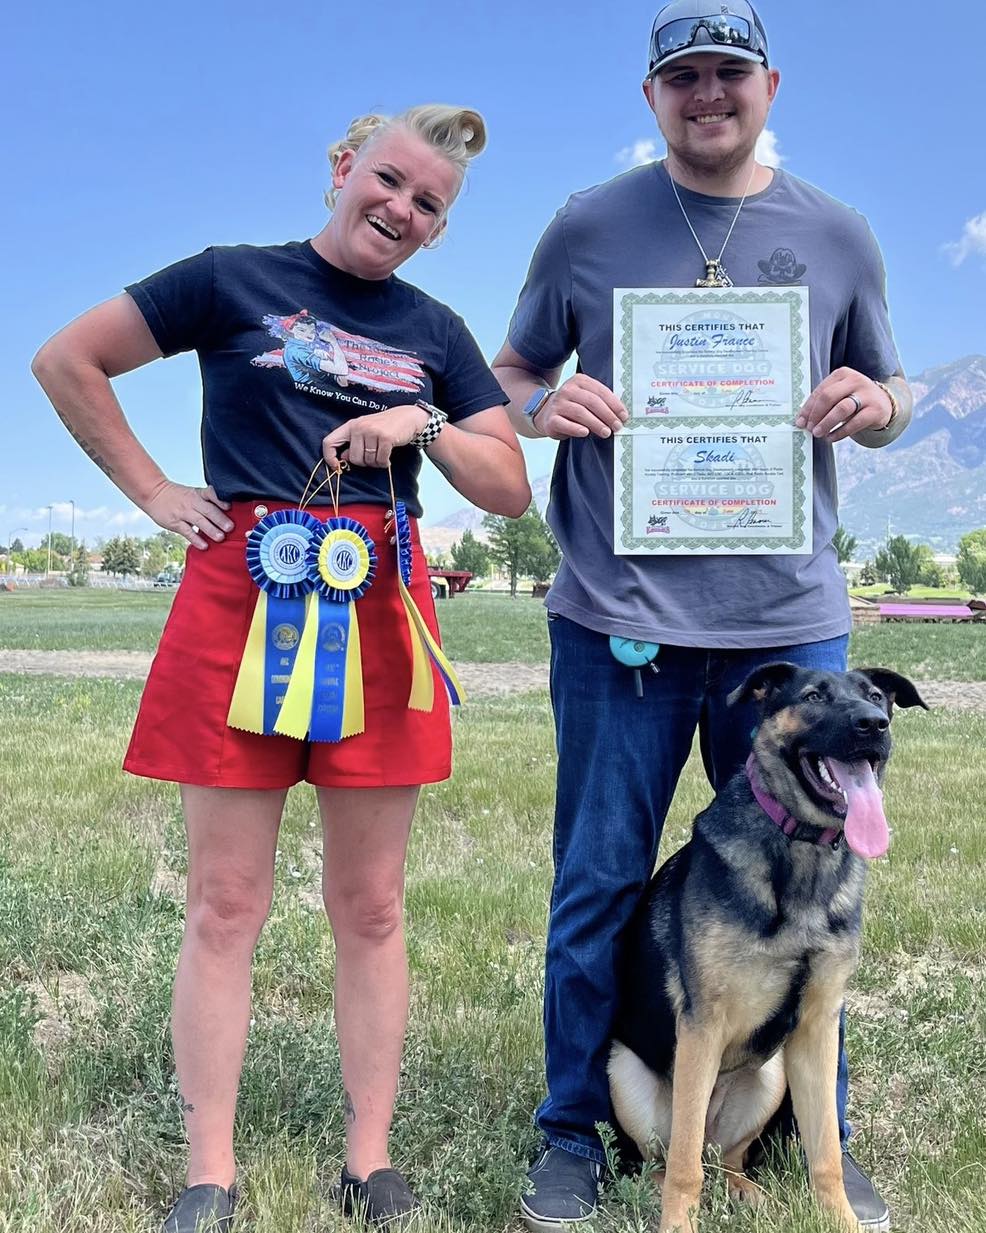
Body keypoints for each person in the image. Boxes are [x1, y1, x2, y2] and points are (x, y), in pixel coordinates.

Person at [33, 104, 530, 1232]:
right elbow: (68, 360)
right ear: (343, 167)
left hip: (381, 609)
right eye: (390, 180)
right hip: (240, 592)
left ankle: (370, 1160)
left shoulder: (437, 332)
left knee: (371, 904)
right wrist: (154, 492)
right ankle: (208, 1170)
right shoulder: (228, 277)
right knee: (222, 903)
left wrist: (425, 429)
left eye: (428, 206)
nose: (400, 208)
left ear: (437, 231)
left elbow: (507, 485)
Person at [492, 5, 910, 1231]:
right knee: (602, 880)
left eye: (729, 71)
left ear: (769, 83)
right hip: (619, 620)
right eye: (682, 76)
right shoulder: (585, 224)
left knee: (816, 883)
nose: (707, 93)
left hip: (784, 624)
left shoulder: (836, 233)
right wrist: (543, 409)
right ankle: (571, 1128)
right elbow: (510, 377)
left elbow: (887, 390)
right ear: (651, 95)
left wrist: (867, 401)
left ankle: (804, 1132)